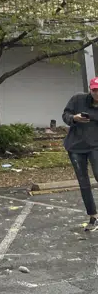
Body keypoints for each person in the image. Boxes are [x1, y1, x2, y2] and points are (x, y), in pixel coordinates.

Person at [62, 78, 98, 232]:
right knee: (84, 183)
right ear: (90, 89)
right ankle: (93, 216)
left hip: (95, 146)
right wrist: (74, 118)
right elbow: (65, 115)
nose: (97, 93)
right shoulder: (78, 99)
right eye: (95, 90)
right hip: (75, 146)